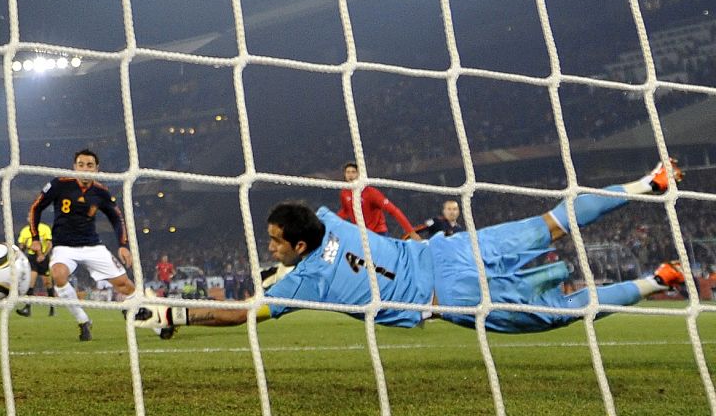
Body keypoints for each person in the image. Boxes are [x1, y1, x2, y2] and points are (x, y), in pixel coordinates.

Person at [135, 159, 686, 333]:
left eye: (277, 243)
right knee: (552, 221)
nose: (272, 248)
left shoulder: (306, 282)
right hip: (450, 250)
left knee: (560, 312)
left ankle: (655, 280)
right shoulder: (332, 220)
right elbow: (325, 231)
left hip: (447, 292)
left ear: (298, 244)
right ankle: (646, 184)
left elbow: (243, 316)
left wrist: (175, 313)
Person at [28, 148, 140, 341]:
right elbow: (36, 208)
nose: (84, 169)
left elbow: (116, 217)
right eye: (81, 165)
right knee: (58, 275)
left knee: (126, 286)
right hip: (64, 247)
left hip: (93, 246)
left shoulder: (101, 192)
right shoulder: (59, 184)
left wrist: (123, 244)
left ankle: (154, 323)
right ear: (74, 166)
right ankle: (83, 320)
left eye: (89, 165)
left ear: (96, 169)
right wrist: (35, 237)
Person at [337, 162, 421, 240]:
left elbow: (394, 211)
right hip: (361, 235)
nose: (350, 175)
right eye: (348, 172)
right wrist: (332, 220)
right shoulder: (344, 193)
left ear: (359, 174)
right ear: (344, 175)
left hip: (378, 234)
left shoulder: (371, 193)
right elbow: (346, 211)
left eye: (353, 172)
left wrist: (411, 232)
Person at [15, 220, 56, 317]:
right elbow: (21, 246)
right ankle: (27, 308)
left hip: (44, 258)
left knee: (47, 283)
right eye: (29, 216)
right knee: (31, 282)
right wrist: (23, 246)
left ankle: (52, 308)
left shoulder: (44, 228)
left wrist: (44, 255)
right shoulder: (25, 230)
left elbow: (49, 244)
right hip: (32, 258)